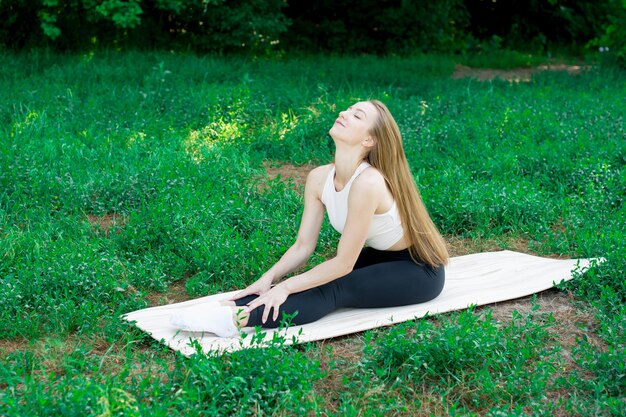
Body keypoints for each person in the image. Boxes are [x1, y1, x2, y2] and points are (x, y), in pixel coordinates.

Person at [170, 100, 449, 337]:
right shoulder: (318, 178)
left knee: (336, 287)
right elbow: (303, 246)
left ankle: (235, 321)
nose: (343, 113)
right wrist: (268, 279)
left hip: (418, 270)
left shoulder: (368, 183)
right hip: (379, 256)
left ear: (368, 140)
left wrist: (288, 286)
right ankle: (229, 306)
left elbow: (343, 263)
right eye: (348, 109)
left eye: (356, 115)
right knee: (303, 281)